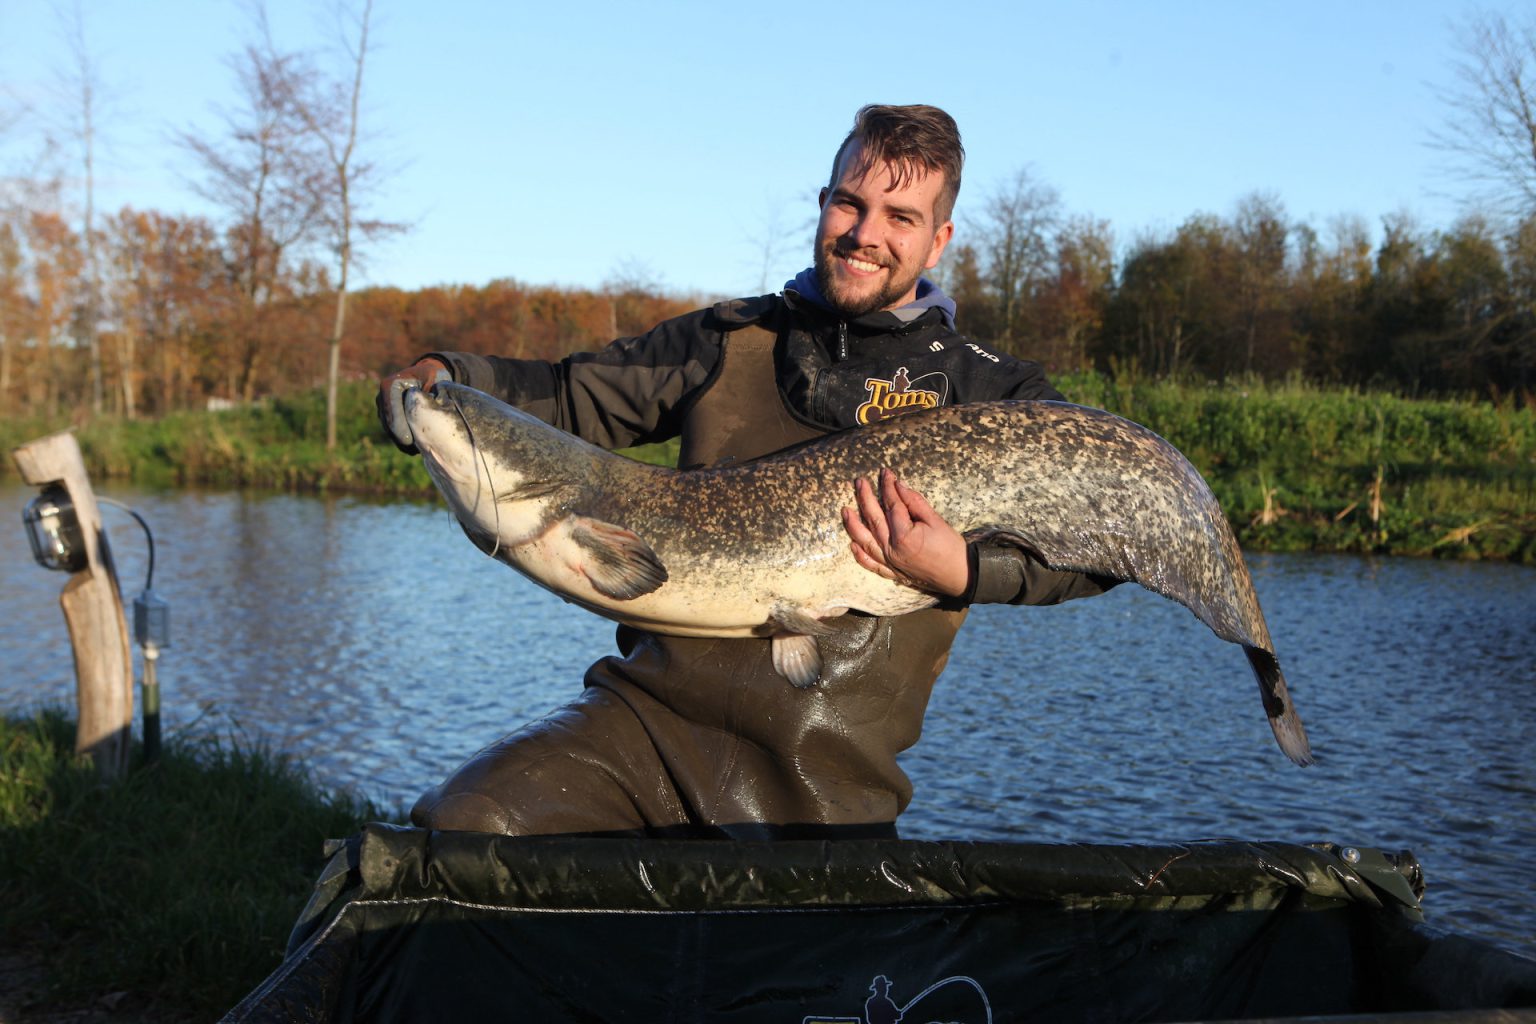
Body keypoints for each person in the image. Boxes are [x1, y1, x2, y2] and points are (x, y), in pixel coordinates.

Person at [377, 104, 1115, 839]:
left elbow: (1112, 536)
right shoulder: (727, 340)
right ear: (823, 205)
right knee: (468, 826)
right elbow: (571, 393)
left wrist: (963, 568)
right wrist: (451, 374)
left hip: (827, 788)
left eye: (901, 216)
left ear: (938, 241)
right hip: (643, 735)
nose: (865, 234)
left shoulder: (989, 392)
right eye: (850, 204)